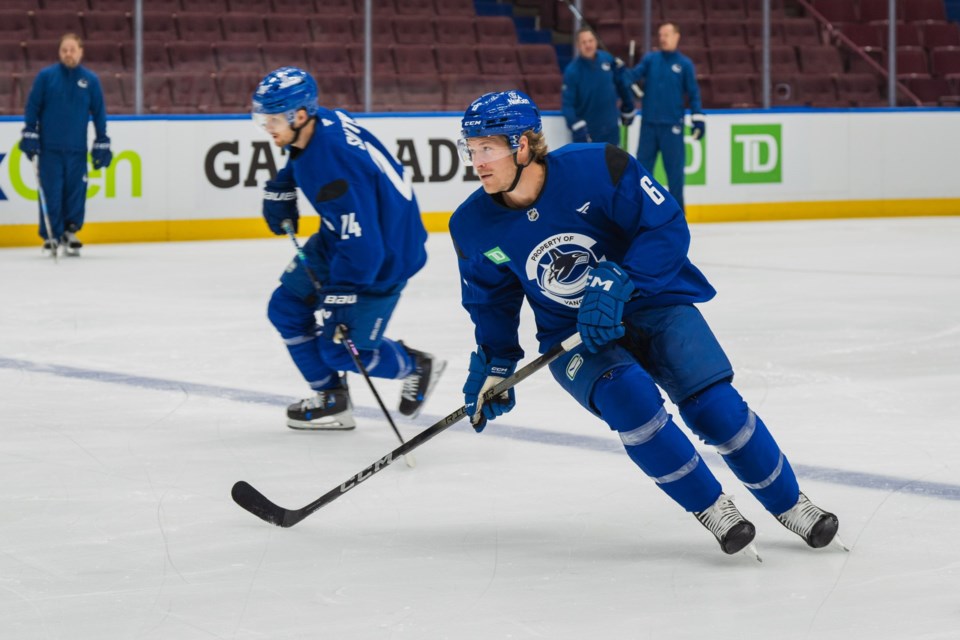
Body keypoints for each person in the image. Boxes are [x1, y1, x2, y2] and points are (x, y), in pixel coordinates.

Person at [449, 90, 841, 557]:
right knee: (628, 399)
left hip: (652, 301)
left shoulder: (600, 166)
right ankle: (713, 507)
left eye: (486, 148)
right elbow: (491, 301)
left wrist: (622, 282)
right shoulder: (472, 226)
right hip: (575, 336)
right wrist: (495, 363)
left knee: (714, 407)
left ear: (523, 145)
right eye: (470, 149)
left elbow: (665, 226)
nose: (477, 161)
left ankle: (790, 503)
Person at [253, 66, 445, 430]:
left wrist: (341, 296)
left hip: (385, 256)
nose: (267, 127)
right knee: (285, 309)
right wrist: (283, 184)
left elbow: (366, 246)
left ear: (299, 114)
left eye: (273, 119)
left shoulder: (334, 166)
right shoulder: (320, 121)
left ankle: (414, 365)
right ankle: (332, 399)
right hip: (345, 239)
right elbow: (303, 159)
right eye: (262, 118)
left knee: (339, 349)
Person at [19, 33, 112, 257]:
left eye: (72, 49)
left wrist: (102, 139)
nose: (68, 53)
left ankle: (70, 231)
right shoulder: (46, 77)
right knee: (51, 191)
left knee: (75, 192)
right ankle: (51, 235)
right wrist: (30, 130)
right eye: (64, 50)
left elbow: (99, 112)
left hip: (76, 150)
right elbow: (33, 106)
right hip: (50, 148)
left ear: (81, 51)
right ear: (59, 52)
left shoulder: (90, 80)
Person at [628, 22, 704, 213]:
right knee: (642, 175)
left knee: (675, 176)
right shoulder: (650, 59)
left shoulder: (684, 64)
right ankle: (642, 215)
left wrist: (698, 117)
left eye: (667, 34)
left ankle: (677, 219)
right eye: (660, 34)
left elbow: (693, 93)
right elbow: (632, 76)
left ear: (677, 36)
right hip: (649, 127)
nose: (663, 38)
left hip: (672, 127)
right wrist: (623, 75)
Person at [561, 26, 636, 146]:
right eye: (584, 42)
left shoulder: (607, 59)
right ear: (578, 45)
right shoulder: (572, 71)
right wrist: (576, 125)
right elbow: (567, 105)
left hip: (611, 130)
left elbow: (621, 84)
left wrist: (628, 105)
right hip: (588, 133)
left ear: (596, 42)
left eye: (590, 41)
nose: (588, 45)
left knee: (612, 164)